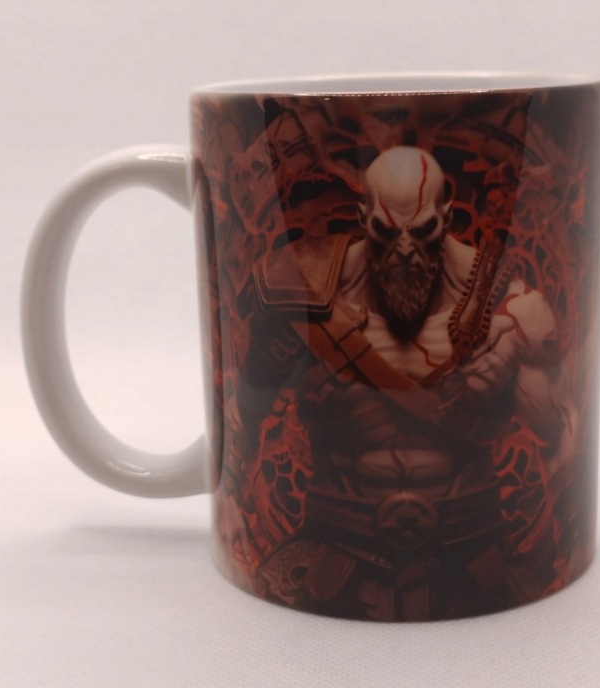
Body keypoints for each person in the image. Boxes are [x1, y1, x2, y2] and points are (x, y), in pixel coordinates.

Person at [238, 146, 576, 620]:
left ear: (447, 218)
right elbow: (242, 422)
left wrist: (558, 551)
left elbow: (560, 439)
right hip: (334, 555)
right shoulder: (297, 292)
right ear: (362, 220)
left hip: (473, 561)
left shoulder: (511, 311)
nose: (403, 251)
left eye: (422, 231)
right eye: (384, 231)